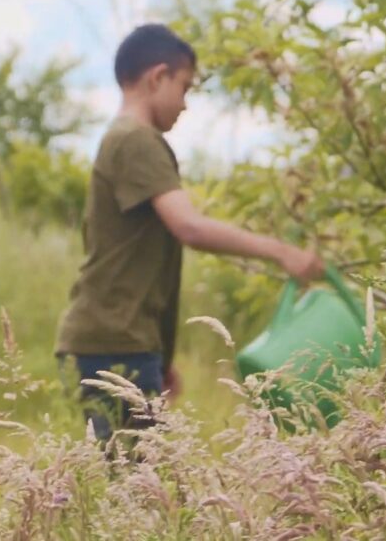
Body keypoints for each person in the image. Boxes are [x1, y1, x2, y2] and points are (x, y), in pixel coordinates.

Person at [56, 23, 325, 441]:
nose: (185, 104)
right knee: (138, 477)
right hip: (114, 345)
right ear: (157, 77)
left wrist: (159, 359)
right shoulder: (136, 140)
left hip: (118, 342)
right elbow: (190, 226)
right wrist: (281, 251)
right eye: (184, 87)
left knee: (136, 473)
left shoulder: (123, 138)